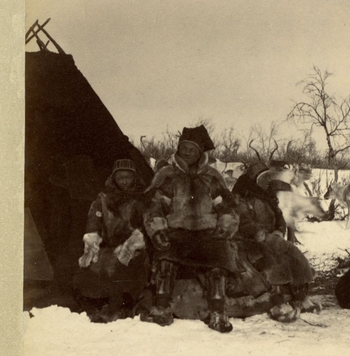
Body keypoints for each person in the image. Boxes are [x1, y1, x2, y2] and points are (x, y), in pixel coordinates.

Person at [142, 125, 240, 332]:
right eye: (183, 148)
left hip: (208, 233)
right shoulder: (168, 176)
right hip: (177, 232)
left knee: (219, 259)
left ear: (200, 153)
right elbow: (154, 206)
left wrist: (224, 228)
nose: (186, 153)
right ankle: (161, 308)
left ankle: (218, 312)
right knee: (165, 258)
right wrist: (158, 230)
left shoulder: (211, 177)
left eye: (191, 150)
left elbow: (228, 208)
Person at [74, 158, 150, 321]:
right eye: (120, 176)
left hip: (134, 248)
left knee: (120, 268)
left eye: (128, 177)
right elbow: (93, 224)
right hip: (108, 247)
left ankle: (120, 307)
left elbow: (145, 227)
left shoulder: (141, 200)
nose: (124, 180)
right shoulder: (102, 200)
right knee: (89, 269)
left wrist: (129, 248)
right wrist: (91, 245)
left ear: (134, 178)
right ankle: (96, 306)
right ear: (113, 178)